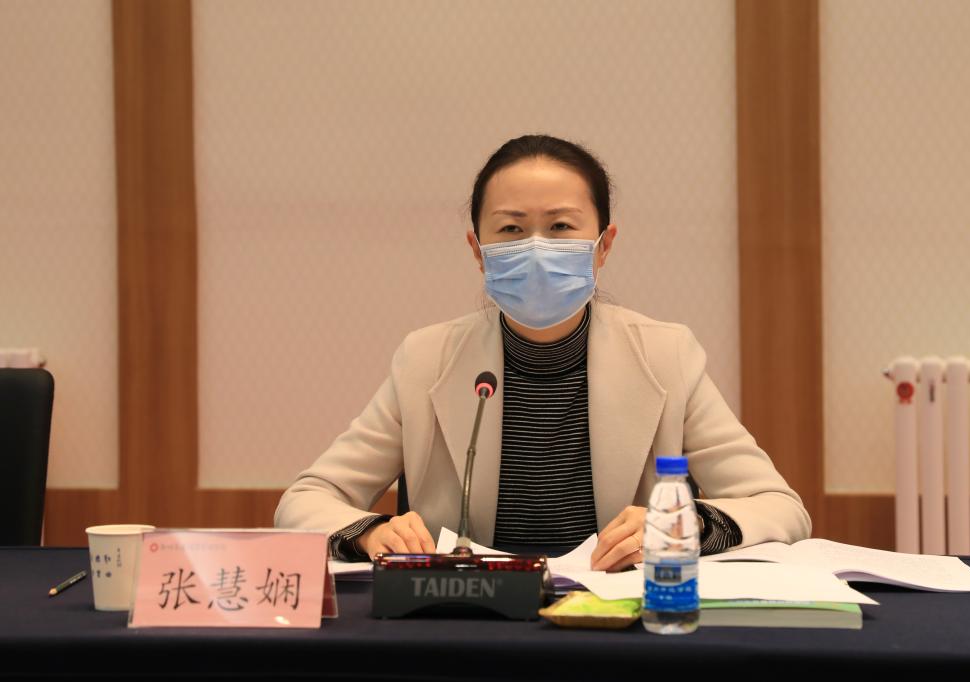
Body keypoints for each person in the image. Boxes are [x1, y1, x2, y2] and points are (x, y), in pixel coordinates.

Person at [275, 134, 811, 572]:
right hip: (467, 628)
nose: (536, 247)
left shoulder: (667, 357)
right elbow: (305, 500)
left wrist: (682, 525)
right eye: (511, 229)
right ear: (478, 251)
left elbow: (779, 507)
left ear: (603, 245)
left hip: (619, 631)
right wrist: (369, 533)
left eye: (560, 227)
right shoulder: (425, 361)